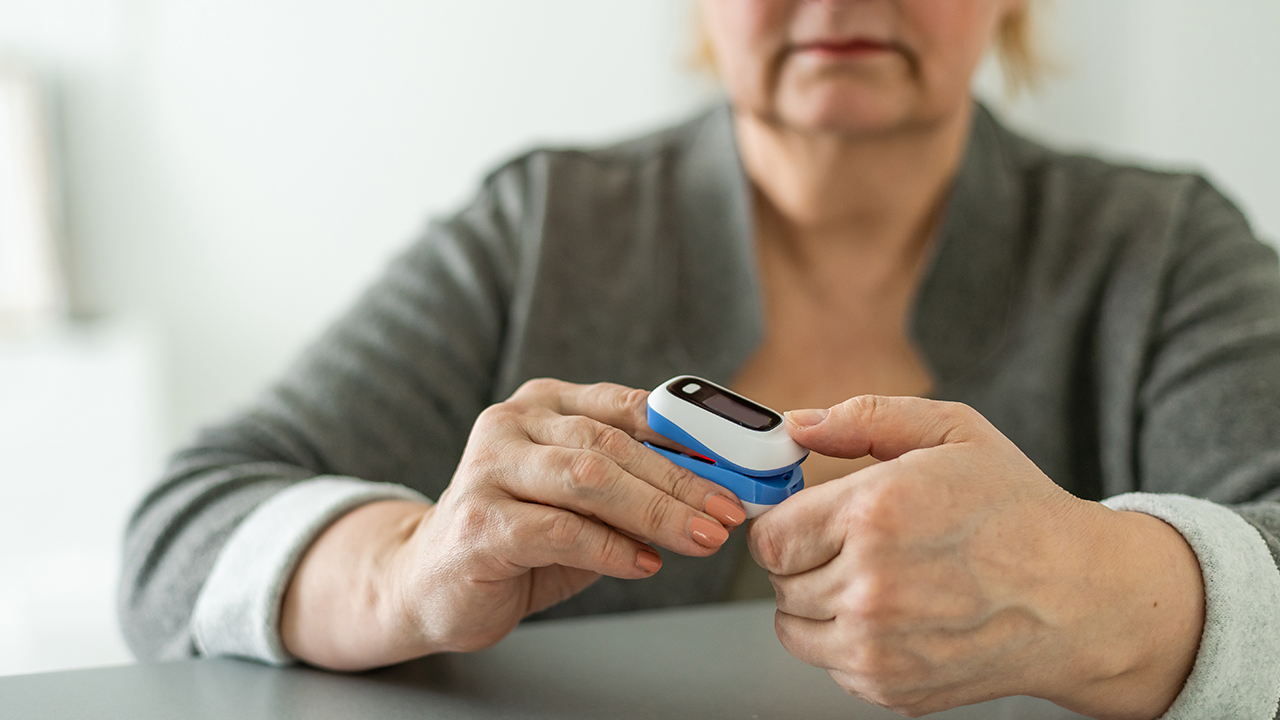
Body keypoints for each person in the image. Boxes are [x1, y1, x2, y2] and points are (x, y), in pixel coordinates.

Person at [119, 1, 1280, 718]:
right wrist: (406, 569)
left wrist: (1087, 589)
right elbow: (182, 530)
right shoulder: (539, 230)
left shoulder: (1160, 249)